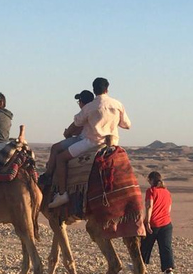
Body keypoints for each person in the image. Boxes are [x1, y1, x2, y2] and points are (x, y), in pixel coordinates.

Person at [47, 77, 131, 208]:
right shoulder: (118, 105)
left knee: (61, 158)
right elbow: (127, 125)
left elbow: (77, 123)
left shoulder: (89, 107)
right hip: (112, 142)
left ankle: (62, 193)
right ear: (107, 89)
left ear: (94, 89)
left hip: (92, 142)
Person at [44, 90, 95, 179]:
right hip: (100, 139)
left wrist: (67, 133)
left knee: (55, 149)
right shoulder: (97, 110)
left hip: (85, 140)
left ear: (81, 102)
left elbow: (72, 129)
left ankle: (49, 176)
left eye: (79, 101)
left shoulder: (84, 112)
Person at [141, 171, 175, 274]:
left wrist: (148, 222)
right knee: (165, 247)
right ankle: (168, 270)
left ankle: (140, 265)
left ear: (151, 180)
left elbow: (149, 206)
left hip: (154, 223)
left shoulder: (151, 191)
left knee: (145, 245)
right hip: (166, 224)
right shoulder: (167, 192)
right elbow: (169, 208)